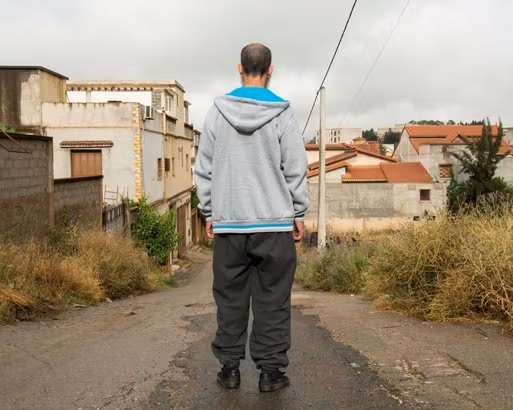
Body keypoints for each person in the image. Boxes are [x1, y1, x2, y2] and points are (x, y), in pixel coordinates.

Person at [194, 43, 308, 393]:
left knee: (230, 299)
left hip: (230, 224)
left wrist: (209, 212)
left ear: (239, 68)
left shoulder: (216, 111)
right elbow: (295, 168)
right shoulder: (284, 113)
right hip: (274, 224)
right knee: (273, 299)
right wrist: (298, 212)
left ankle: (229, 369)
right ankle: (270, 374)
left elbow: (204, 168)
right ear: (270, 70)